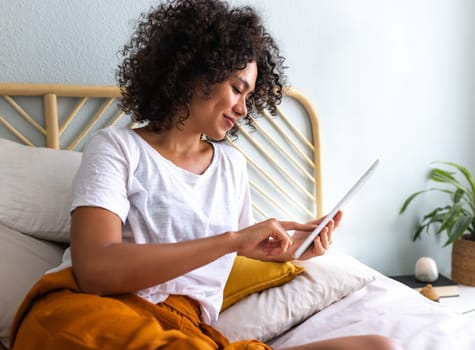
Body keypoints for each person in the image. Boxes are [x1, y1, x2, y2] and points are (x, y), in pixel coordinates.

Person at [10, 0, 400, 349]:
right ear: (195, 72)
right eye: (236, 88)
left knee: (379, 347)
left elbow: (243, 247)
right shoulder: (117, 148)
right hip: (94, 310)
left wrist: (296, 247)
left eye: (250, 96)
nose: (244, 109)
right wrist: (231, 239)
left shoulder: (231, 166)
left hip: (185, 330)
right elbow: (95, 270)